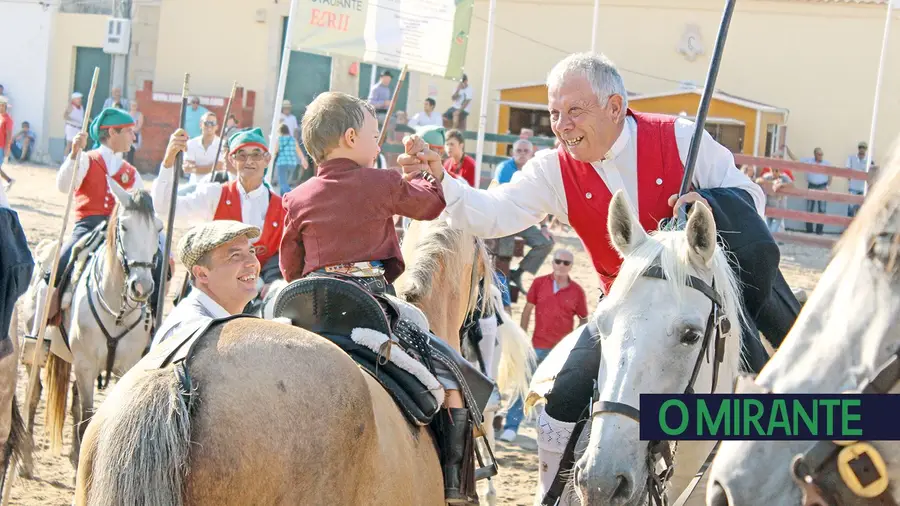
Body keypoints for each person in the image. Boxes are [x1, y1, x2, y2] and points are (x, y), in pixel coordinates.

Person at [396, 52, 786, 501]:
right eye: (554, 113)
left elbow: (750, 197)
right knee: (561, 403)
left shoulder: (680, 137)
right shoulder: (553, 168)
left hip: (707, 300)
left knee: (787, 403)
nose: (561, 124)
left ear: (616, 107)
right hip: (623, 311)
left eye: (574, 110)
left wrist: (710, 204)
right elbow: (495, 213)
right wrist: (441, 179)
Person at [280, 91, 485, 504]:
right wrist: (428, 170)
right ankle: (454, 485)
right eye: (376, 135)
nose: (380, 143)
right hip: (371, 306)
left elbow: (290, 266)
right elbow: (430, 206)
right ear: (352, 137)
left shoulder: (296, 197)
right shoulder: (382, 182)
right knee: (448, 376)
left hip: (310, 308)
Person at [29, 108, 163, 337]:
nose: (134, 137)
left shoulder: (131, 172)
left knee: (156, 265)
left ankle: (153, 328)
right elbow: (64, 187)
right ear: (112, 132)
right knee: (58, 265)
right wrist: (73, 154)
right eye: (130, 131)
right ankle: (38, 334)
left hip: (122, 231)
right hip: (87, 226)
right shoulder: (86, 159)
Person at [153, 127, 286, 301]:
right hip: (215, 292)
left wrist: (273, 281)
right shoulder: (214, 195)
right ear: (232, 159)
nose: (249, 161)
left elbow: (285, 256)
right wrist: (169, 160)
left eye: (256, 154)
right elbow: (164, 208)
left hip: (262, 293)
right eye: (241, 155)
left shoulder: (283, 207)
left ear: (267, 159)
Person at [500, 249, 587, 443]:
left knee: (558, 393)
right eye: (558, 261)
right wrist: (522, 338)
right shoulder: (539, 283)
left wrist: (578, 346)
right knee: (524, 387)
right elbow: (527, 310)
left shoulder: (577, 291)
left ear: (571, 266)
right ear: (553, 263)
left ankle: (552, 432)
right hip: (536, 345)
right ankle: (511, 427)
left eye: (566, 262)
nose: (561, 265)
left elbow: (583, 319)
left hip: (562, 351)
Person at [152, 220, 261, 348]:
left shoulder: (217, 324)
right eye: (235, 255)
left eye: (252, 252)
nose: (252, 262)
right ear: (202, 274)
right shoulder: (192, 331)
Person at [273, 122, 307, 195]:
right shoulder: (293, 139)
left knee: (283, 183)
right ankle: (282, 199)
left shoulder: (279, 139)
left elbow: (275, 151)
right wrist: (303, 160)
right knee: (285, 183)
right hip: (292, 164)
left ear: (280, 131)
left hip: (282, 163)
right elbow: (299, 151)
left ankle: (290, 196)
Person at [846, 141, 871, 218]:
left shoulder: (869, 160)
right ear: (858, 148)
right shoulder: (851, 158)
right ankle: (849, 228)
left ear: (866, 149)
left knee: (862, 211)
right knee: (850, 209)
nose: (862, 149)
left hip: (863, 189)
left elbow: (871, 172)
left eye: (864, 148)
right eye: (860, 147)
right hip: (853, 188)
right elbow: (848, 170)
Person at [64, 92, 85, 158]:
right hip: (71, 127)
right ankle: (65, 159)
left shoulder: (81, 107)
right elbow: (65, 116)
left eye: (80, 99)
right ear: (73, 99)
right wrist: (73, 120)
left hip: (78, 128)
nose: (79, 100)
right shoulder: (70, 107)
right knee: (69, 144)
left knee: (78, 145)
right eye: (78, 99)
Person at [0, 97, 14, 190]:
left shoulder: (7, 119)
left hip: (1, 146)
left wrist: (7, 148)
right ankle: (9, 180)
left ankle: (9, 180)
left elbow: (9, 135)